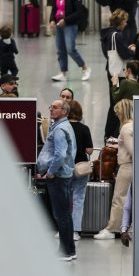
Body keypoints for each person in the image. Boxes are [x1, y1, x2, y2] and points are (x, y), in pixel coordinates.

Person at [36, 99, 77, 261]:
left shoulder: (60, 129)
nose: (51, 110)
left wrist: (50, 172)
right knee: (65, 214)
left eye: (55, 107)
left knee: (61, 215)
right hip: (63, 175)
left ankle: (65, 251)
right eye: (50, 107)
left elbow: (60, 154)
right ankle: (69, 249)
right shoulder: (64, 126)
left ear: (64, 111)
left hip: (58, 177)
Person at [94, 99, 134, 242]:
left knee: (119, 198)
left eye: (117, 112)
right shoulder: (133, 126)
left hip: (127, 166)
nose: (116, 115)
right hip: (131, 166)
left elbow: (133, 150)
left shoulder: (125, 128)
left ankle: (112, 229)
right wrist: (119, 145)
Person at [49, 0, 91, 83]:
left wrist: (66, 20)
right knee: (60, 49)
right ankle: (63, 73)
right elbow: (54, 9)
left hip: (70, 25)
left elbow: (79, 12)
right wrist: (52, 20)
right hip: (59, 24)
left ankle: (84, 68)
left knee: (70, 49)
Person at [68, 100, 94, 237]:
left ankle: (64, 230)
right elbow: (89, 150)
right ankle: (75, 231)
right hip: (81, 168)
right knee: (78, 198)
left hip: (65, 167)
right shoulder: (84, 128)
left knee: (65, 198)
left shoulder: (62, 127)